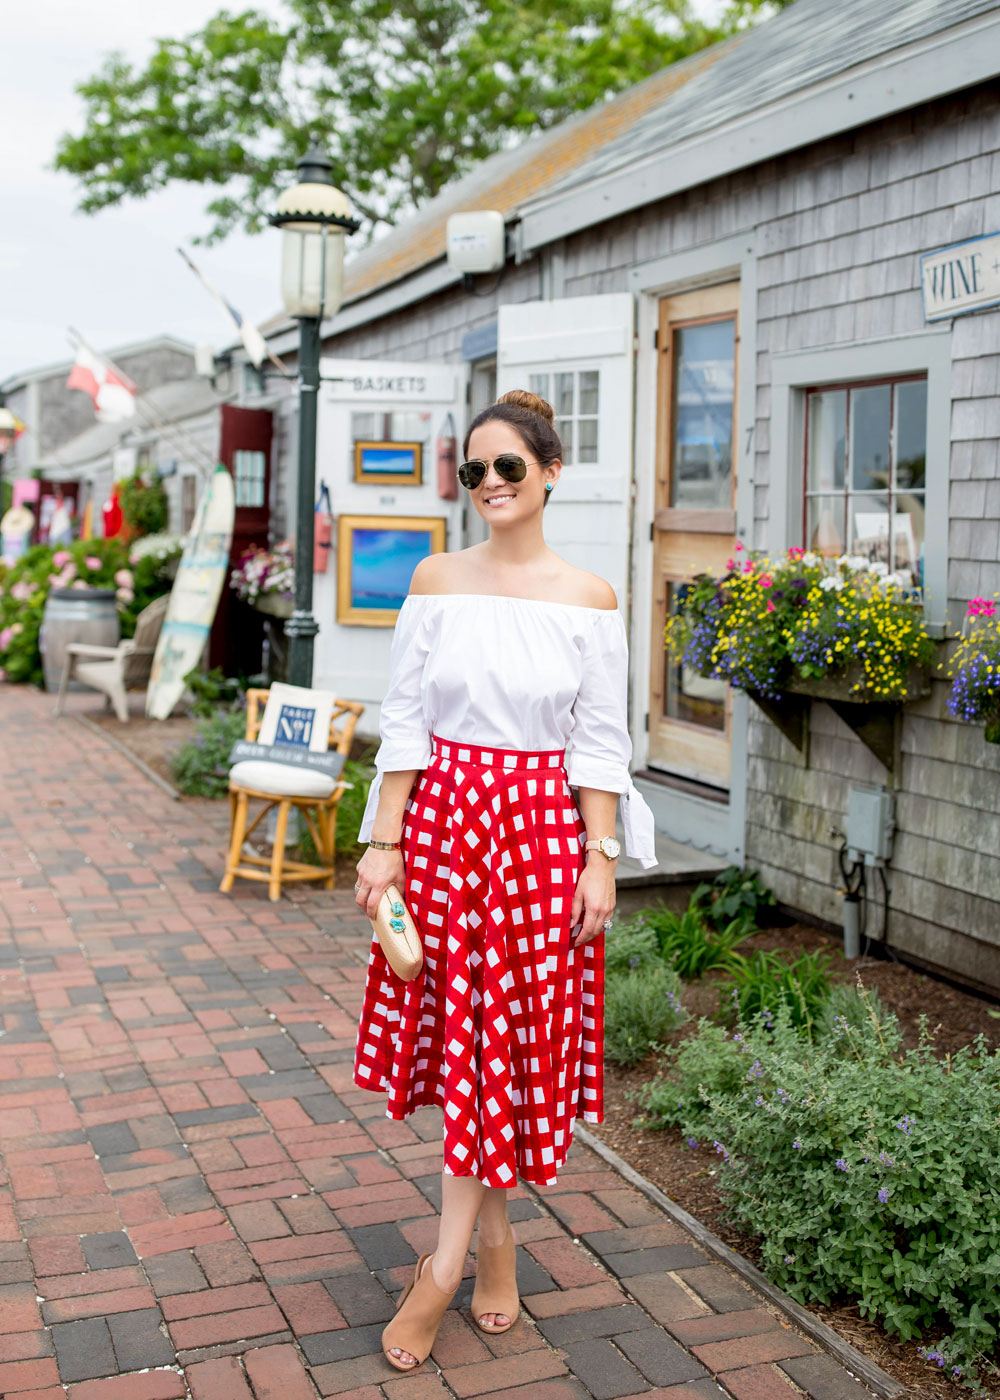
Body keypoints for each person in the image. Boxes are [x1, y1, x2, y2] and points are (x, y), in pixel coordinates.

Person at [352, 388, 657, 1373]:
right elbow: (403, 721)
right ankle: (486, 1243)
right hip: (442, 823)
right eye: (471, 470)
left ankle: (440, 1267)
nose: (487, 483)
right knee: (458, 1037)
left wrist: (600, 856)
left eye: (507, 467)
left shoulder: (587, 597)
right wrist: (383, 841)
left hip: (535, 838)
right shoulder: (436, 577)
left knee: (506, 1042)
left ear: (550, 472)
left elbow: (598, 742)